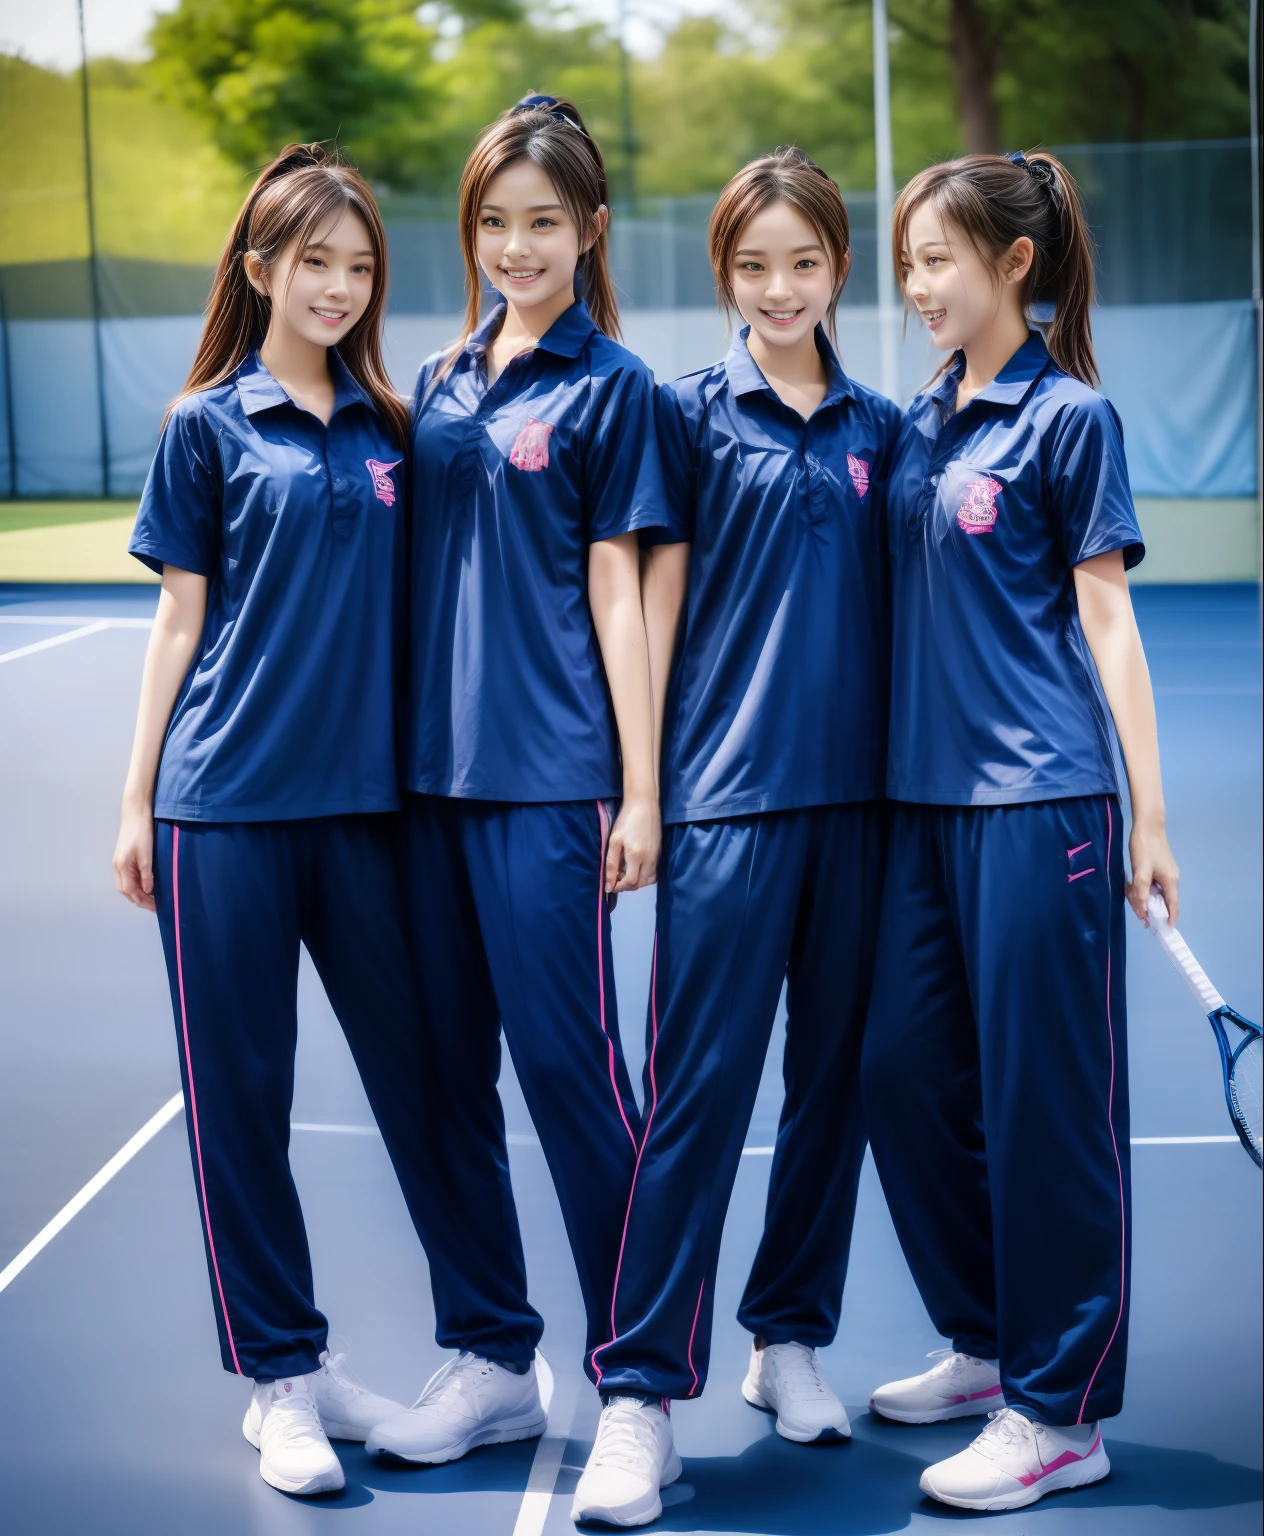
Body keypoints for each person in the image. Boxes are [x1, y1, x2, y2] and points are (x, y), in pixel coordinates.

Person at [113, 144, 494, 1497]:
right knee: (243, 1106)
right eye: (311, 261)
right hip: (221, 812)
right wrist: (136, 798)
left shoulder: (397, 427)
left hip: (372, 820)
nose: (336, 286)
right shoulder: (206, 426)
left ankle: (494, 1350)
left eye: (357, 265)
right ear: (259, 267)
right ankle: (282, 1375)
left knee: (434, 1079)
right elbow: (179, 623)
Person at [569, 148, 904, 1529]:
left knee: (836, 1089)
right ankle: (641, 1395)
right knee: (698, 1096)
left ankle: (788, 1341)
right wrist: (645, 793)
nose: (778, 288)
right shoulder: (681, 415)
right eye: (752, 265)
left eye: (804, 262)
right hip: (722, 807)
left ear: (841, 268)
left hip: (864, 815)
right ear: (724, 274)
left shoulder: (890, 427)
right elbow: (641, 612)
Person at [863, 150, 1180, 1513]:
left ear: (1014, 263)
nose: (918, 284)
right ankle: (989, 1344)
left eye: (938, 258)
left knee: (1046, 1112)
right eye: (909, 262)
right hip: (920, 809)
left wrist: (1145, 816)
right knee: (896, 1076)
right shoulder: (922, 418)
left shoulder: (1069, 420)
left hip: (1042, 801)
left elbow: (1107, 619)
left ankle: (1059, 1409)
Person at [363, 95, 670, 1467]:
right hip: (424, 793)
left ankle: (636, 1386)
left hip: (552, 783)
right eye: (494, 222)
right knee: (439, 1079)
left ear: (589, 230)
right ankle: (490, 1354)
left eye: (543, 222)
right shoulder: (435, 382)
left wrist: (643, 789)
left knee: (568, 1071)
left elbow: (622, 599)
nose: (516, 246)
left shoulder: (618, 392)